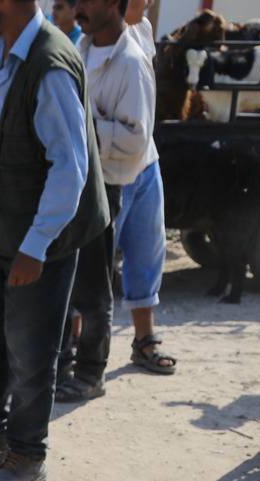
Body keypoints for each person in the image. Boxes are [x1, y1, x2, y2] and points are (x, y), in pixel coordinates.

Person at [0, 0, 107, 481]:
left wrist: (35, 246)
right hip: (5, 228)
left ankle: (27, 452)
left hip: (40, 236)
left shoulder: (49, 63)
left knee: (31, 348)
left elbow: (70, 167)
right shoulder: (10, 51)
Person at [56, 0, 158, 400]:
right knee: (62, 278)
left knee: (94, 285)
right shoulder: (79, 48)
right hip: (72, 181)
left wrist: (84, 124)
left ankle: (90, 372)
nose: (80, 6)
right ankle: (60, 362)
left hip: (105, 185)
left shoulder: (131, 63)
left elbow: (136, 139)